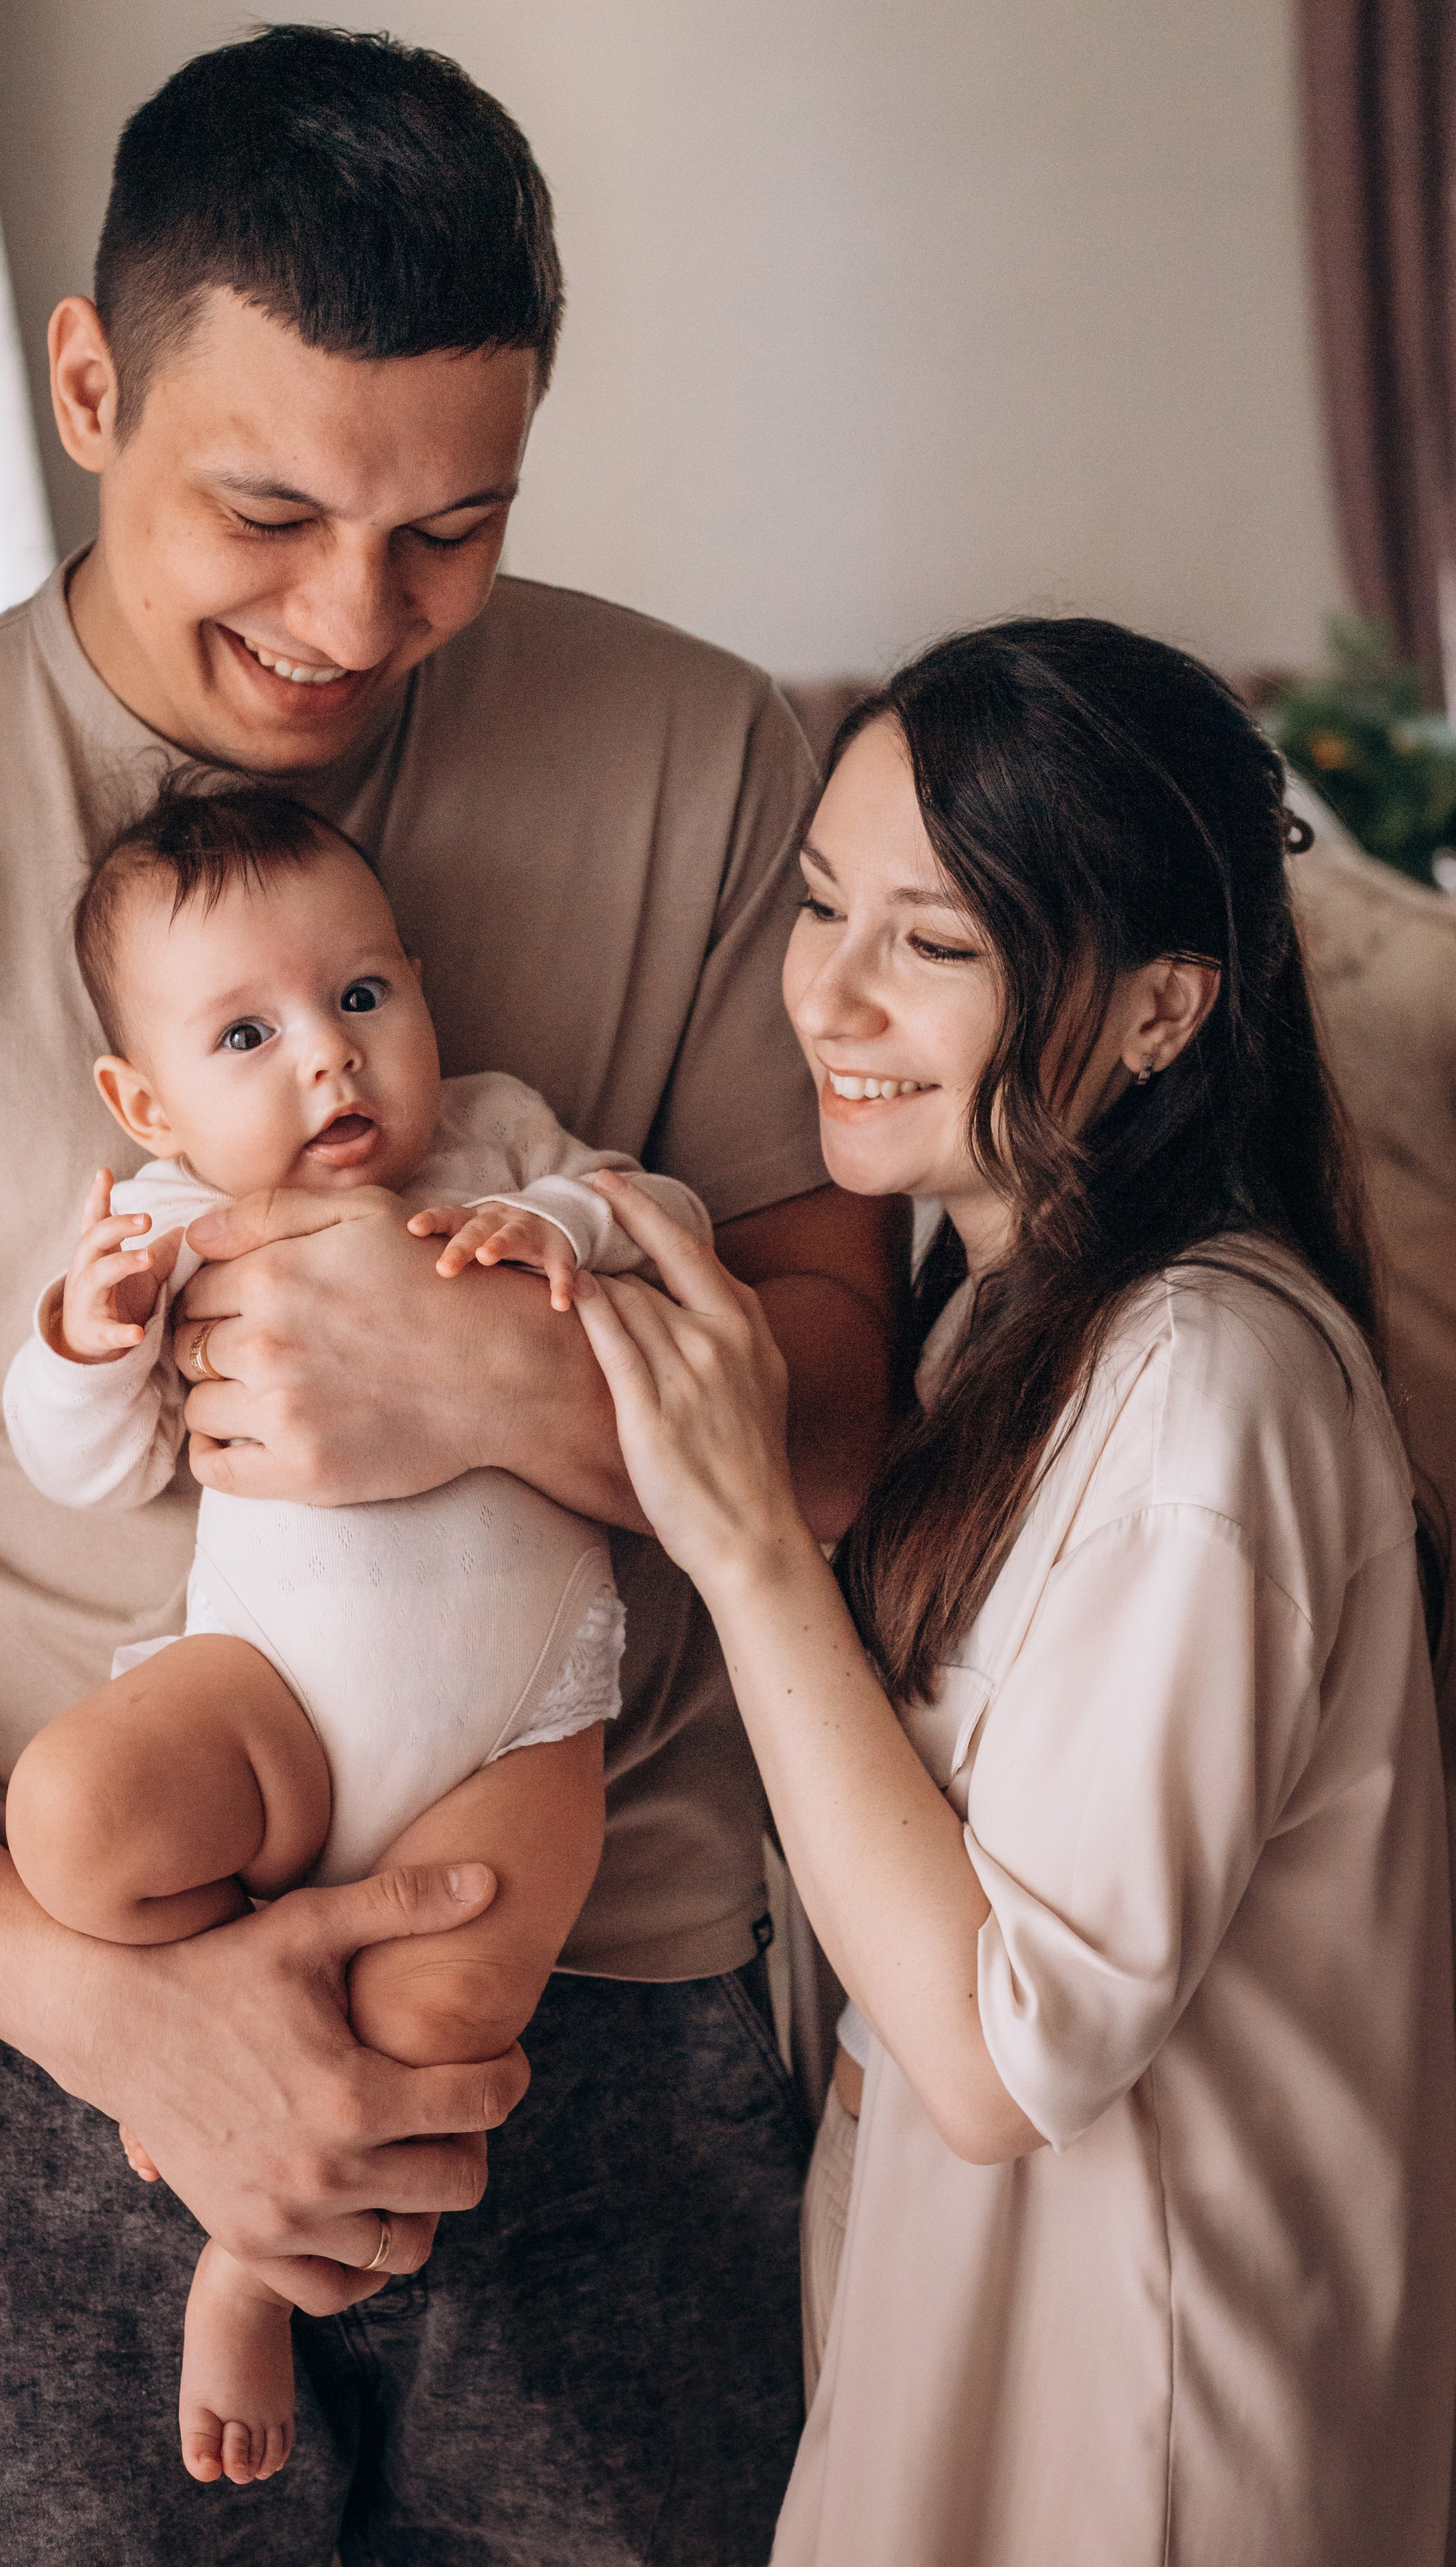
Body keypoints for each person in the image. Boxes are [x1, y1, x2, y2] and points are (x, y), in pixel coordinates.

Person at [0, 27, 900, 2564]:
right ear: (84, 384)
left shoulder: (709, 763)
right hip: (59, 2052)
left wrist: (498, 1381)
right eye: (264, 511)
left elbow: (840, 1426)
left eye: (452, 529)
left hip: (601, 2001)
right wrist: (115, 2018)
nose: (354, 621)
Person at [573, 617, 1456, 2566]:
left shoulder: (1201, 1399)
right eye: (821, 908)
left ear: (1162, 1011)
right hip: (985, 2351)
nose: (832, 998)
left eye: (940, 945)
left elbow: (999, 2053)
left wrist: (740, 1537)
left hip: (1148, 2419)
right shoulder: (996, 1327)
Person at [2, 775, 711, 2487]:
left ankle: (247, 2275)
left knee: (448, 2017)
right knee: (72, 1819)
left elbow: (666, 1230)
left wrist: (553, 1229)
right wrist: (88, 1342)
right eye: (243, 1036)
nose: (327, 1056)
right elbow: (82, 1466)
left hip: (519, 1729)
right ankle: (207, 2010)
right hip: (274, 1716)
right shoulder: (165, 1227)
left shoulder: (500, 1140)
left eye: (362, 998)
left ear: (420, 991)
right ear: (142, 1098)